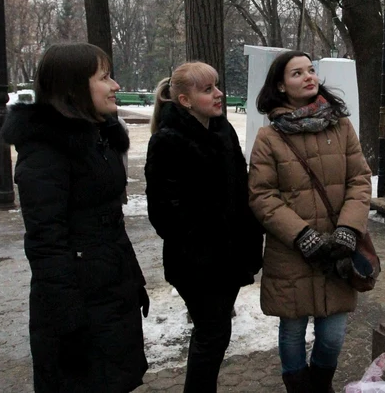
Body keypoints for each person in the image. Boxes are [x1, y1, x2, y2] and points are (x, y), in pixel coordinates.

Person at [2, 43, 148, 393]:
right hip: (79, 309)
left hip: (110, 294)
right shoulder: (44, 152)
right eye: (104, 77)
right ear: (73, 87)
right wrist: (69, 323)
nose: (115, 85)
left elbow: (109, 223)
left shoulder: (97, 137)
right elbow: (46, 245)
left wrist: (134, 281)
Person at [248, 51, 372, 393]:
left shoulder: (341, 126)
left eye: (310, 70)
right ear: (281, 86)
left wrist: (348, 229)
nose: (308, 77)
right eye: (296, 73)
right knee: (292, 331)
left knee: (332, 336)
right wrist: (301, 234)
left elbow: (359, 180)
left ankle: (320, 385)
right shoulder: (269, 138)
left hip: (337, 250)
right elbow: (262, 195)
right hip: (292, 252)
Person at [144, 62, 263, 393]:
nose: (219, 94)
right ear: (184, 100)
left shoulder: (222, 130)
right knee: (212, 334)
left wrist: (248, 233)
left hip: (230, 257)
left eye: (217, 86)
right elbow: (163, 214)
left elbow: (240, 188)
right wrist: (206, 240)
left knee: (216, 333)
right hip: (198, 264)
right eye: (208, 89)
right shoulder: (168, 141)